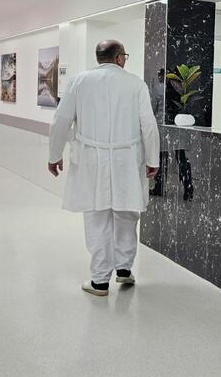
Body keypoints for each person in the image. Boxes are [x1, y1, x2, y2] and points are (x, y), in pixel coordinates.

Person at [47, 40, 160, 297]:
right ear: (119, 57)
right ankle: (124, 269)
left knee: (97, 216)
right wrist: (152, 159)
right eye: (125, 56)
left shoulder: (79, 82)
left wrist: (54, 155)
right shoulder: (135, 84)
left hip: (91, 159)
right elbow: (148, 125)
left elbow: (61, 121)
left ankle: (99, 280)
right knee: (127, 213)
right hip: (126, 159)